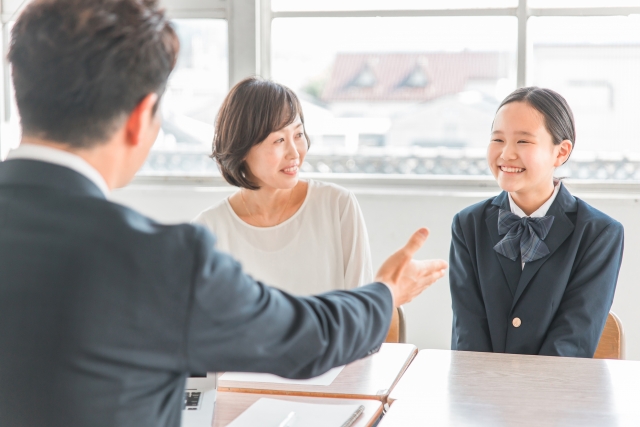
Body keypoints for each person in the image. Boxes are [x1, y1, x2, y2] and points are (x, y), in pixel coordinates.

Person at [0, 1, 448, 426]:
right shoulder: (161, 258)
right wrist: (386, 292)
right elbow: (303, 337)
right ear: (140, 119)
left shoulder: (330, 206)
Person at [449, 87, 624, 357]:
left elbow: (572, 341)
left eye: (523, 142)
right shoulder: (467, 225)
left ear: (561, 152)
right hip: (479, 392)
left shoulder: (599, 233)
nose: (506, 154)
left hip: (555, 393)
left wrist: (526, 397)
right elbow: (468, 335)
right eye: (497, 140)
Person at [194, 77, 372, 295]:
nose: (295, 153)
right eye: (278, 140)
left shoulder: (337, 206)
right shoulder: (210, 230)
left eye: (298, 135)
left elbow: (362, 312)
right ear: (241, 149)